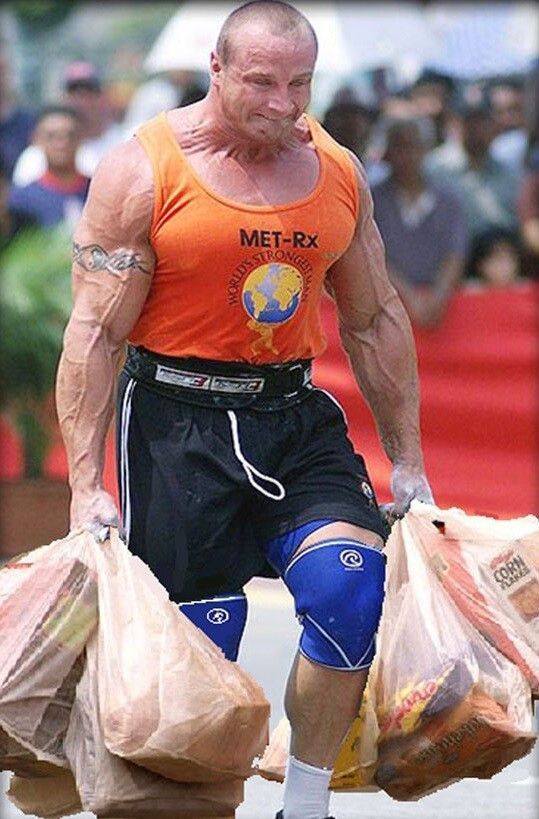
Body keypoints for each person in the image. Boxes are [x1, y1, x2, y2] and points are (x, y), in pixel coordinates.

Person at [55, 3, 433, 818]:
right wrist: (86, 484)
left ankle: (306, 802)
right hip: (173, 424)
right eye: (261, 82)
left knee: (348, 591)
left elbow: (372, 318)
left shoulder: (335, 170)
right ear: (217, 69)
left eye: (300, 83)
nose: (282, 103)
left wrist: (408, 461)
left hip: (291, 414)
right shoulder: (144, 169)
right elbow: (94, 333)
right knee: (201, 651)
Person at [372, 118, 467, 327]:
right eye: (399, 147)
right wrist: (409, 297)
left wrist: (439, 297)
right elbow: (371, 256)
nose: (406, 155)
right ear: (387, 153)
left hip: (440, 311)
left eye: (413, 146)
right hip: (387, 311)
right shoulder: (371, 200)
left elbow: (455, 254)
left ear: (425, 149)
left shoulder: (448, 201)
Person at [426, 85, 520, 247]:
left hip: (503, 252)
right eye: (469, 121)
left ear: (493, 123)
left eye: (482, 121)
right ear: (455, 122)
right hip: (456, 254)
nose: (475, 128)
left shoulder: (509, 171)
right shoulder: (435, 168)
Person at [12, 61, 123, 185]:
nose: (81, 102)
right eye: (74, 93)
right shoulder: (37, 156)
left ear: (103, 97)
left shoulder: (123, 143)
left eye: (89, 93)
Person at [8, 105, 90, 229]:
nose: (61, 143)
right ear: (36, 139)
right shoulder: (20, 200)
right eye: (51, 136)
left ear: (82, 137)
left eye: (70, 135)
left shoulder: (98, 191)